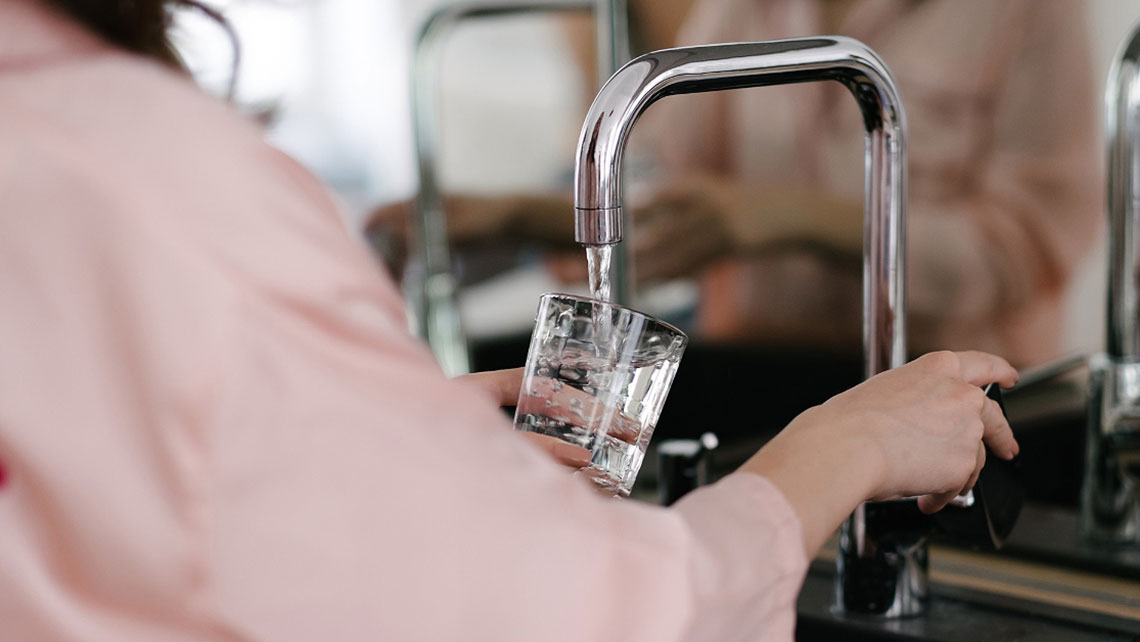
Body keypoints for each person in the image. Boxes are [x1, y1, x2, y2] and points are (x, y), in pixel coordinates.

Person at [0, 1, 1018, 640]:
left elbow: (110, 495)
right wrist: (842, 447)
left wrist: (371, 446)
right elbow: (596, 615)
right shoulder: (150, 179)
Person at [373, 0, 1100, 369]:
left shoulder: (1031, 14)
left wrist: (789, 218)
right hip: (757, 384)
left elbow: (1022, 250)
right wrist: (520, 215)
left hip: (960, 394)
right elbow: (664, 182)